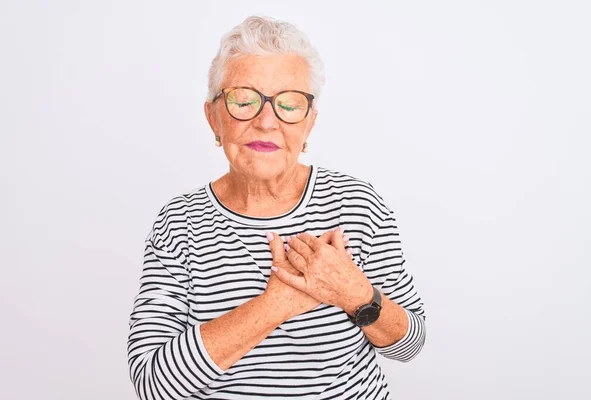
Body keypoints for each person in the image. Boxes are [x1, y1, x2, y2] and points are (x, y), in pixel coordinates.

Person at [127, 15, 426, 400]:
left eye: (289, 103)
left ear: (309, 124)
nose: (267, 121)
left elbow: (409, 345)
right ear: (213, 117)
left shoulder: (357, 205)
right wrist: (274, 305)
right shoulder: (180, 222)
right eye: (244, 100)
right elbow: (153, 384)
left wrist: (356, 295)